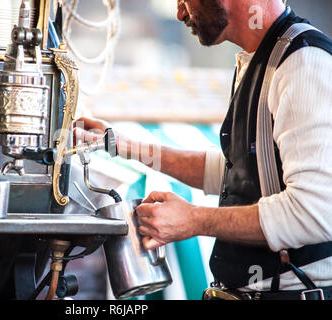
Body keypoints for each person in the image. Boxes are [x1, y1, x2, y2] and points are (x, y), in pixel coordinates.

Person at [74, 0, 332, 300]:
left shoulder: (303, 63)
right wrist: (121, 145)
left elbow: (314, 213)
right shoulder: (263, 59)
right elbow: (235, 174)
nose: (180, 13)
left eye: (184, 0)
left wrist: (194, 220)